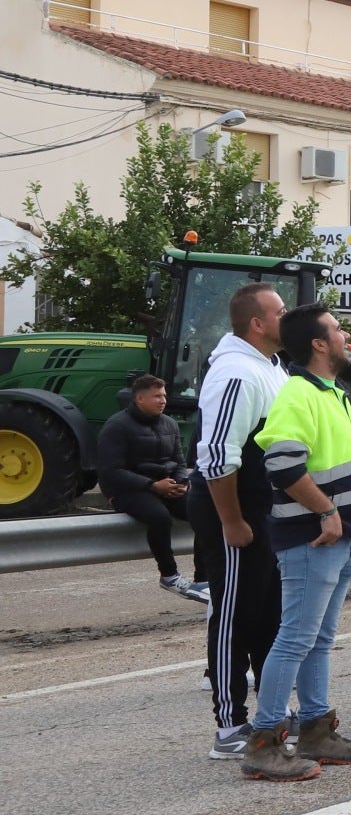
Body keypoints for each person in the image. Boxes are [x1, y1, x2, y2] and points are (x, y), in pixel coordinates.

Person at [241, 303, 351, 781]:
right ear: (319, 343)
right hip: (312, 536)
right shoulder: (297, 394)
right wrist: (326, 512)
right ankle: (263, 742)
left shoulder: (334, 393)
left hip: (336, 536)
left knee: (317, 640)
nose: (346, 337)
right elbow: (281, 465)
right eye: (339, 330)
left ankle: (317, 731)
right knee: (296, 638)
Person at [189, 282, 289, 761]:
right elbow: (216, 457)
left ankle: (268, 713)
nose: (286, 319)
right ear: (257, 323)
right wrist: (230, 520)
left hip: (262, 509)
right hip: (234, 509)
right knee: (232, 613)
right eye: (280, 312)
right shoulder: (235, 373)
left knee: (266, 610)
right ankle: (229, 724)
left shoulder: (271, 366)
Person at [99, 374, 200, 599]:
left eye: (163, 395)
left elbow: (180, 462)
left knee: (203, 509)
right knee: (160, 517)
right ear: (140, 399)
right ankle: (169, 576)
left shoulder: (170, 424)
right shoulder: (117, 426)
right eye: (157, 396)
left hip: (165, 486)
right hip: (127, 490)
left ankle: (203, 577)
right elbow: (111, 472)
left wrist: (182, 481)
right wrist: (153, 486)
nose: (163, 400)